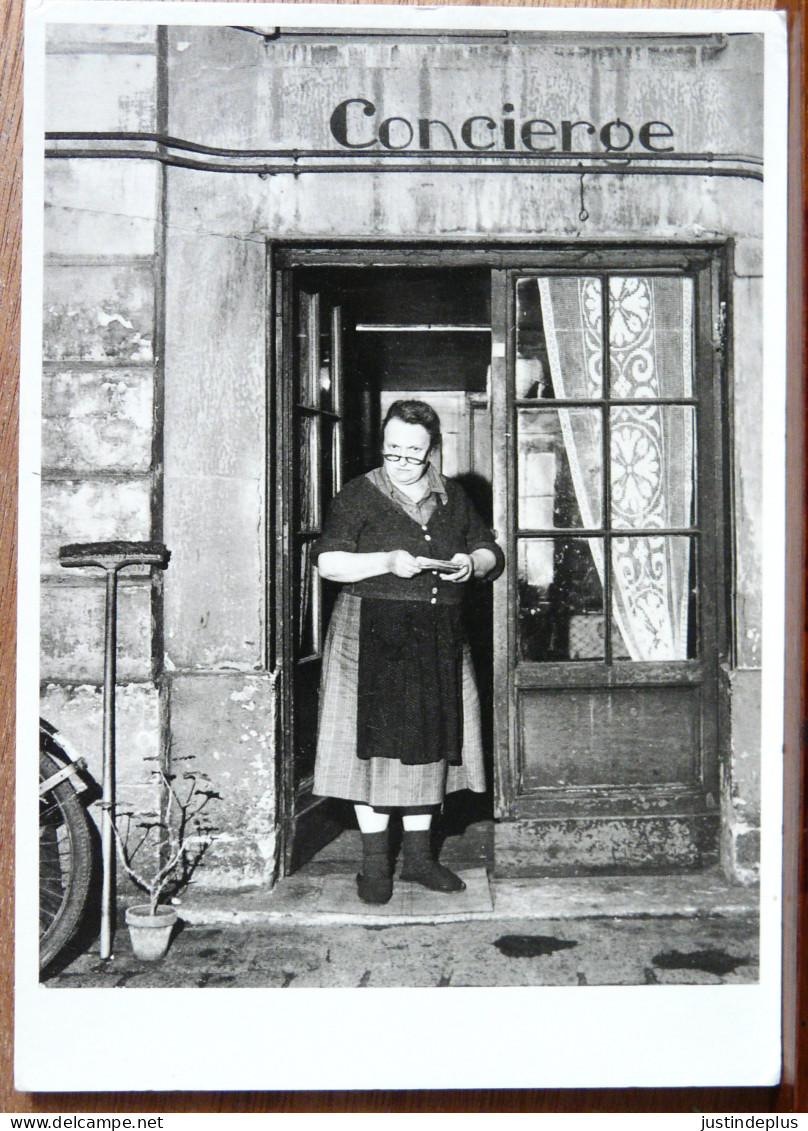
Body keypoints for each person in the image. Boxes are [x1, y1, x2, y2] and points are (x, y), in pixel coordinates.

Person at [311, 399, 504, 904]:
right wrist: (385, 561)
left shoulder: (453, 496)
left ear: (432, 450)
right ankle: (375, 865)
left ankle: (419, 859)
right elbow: (329, 563)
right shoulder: (358, 495)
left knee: (430, 748)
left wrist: (471, 562)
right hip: (368, 631)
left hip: (437, 634)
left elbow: (491, 551)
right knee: (369, 754)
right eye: (392, 449)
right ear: (382, 444)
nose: (400, 460)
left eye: (413, 452)